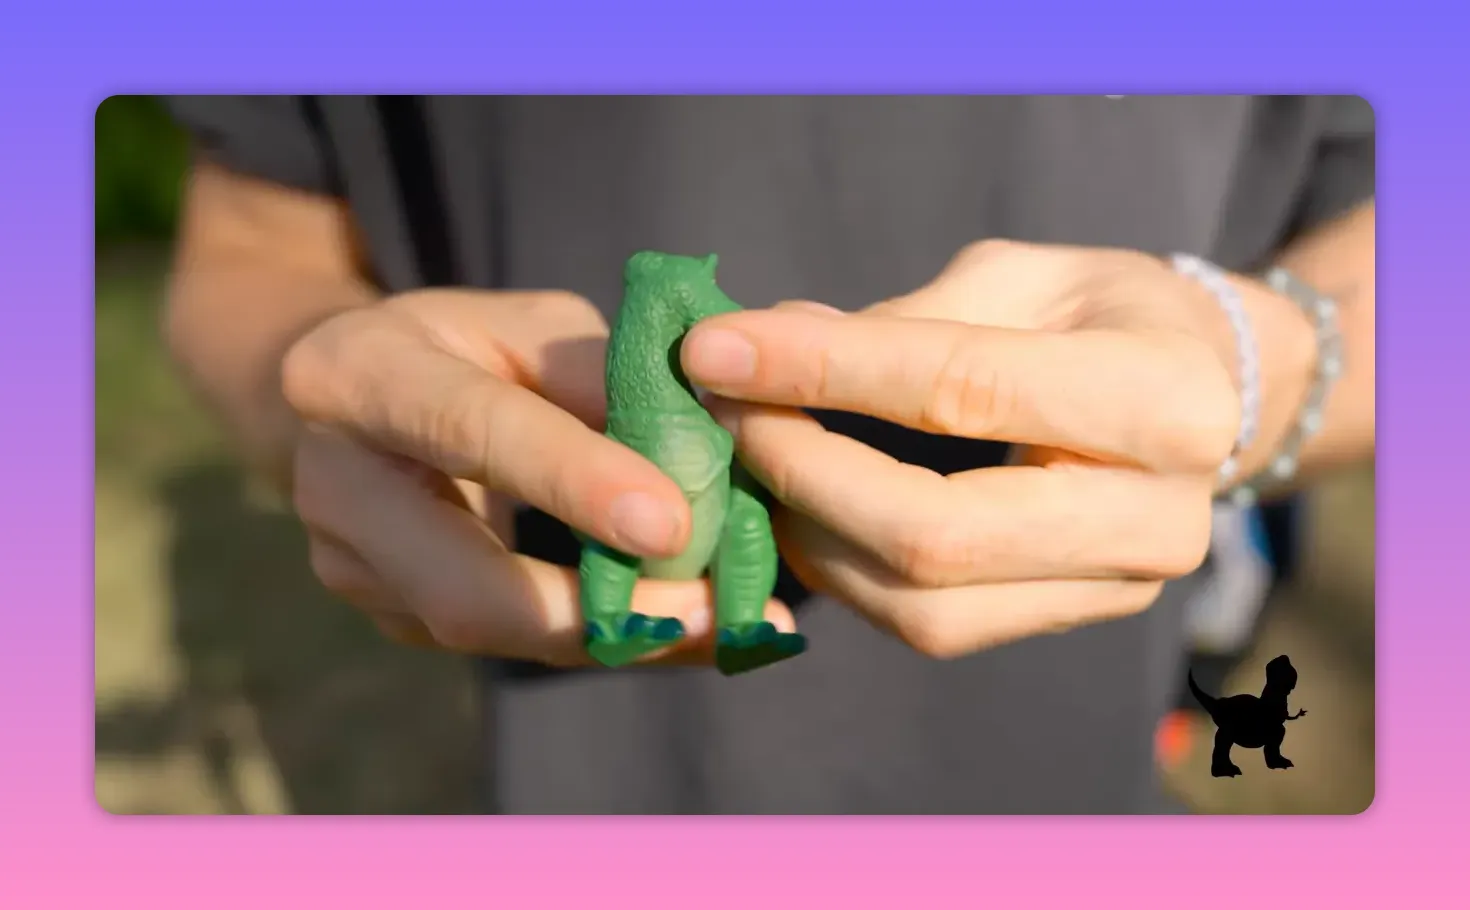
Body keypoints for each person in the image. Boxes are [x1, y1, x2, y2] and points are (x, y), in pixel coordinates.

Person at [162, 96, 1375, 813]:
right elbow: (251, 241)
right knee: (629, 529)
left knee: (734, 527)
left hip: (1067, 758)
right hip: (591, 754)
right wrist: (318, 389)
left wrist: (1251, 363)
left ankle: (739, 613)